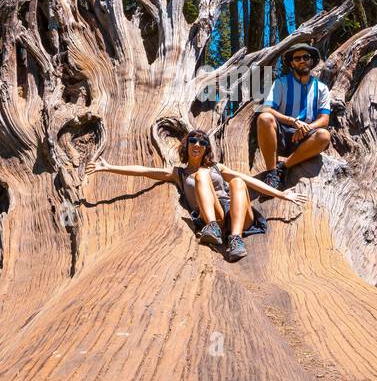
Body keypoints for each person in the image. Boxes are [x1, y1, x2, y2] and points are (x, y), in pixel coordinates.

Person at [86, 129, 304, 261]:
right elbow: (144, 171)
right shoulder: (178, 173)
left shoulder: (218, 168)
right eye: (193, 141)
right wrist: (109, 167)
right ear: (187, 145)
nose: (198, 144)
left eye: (203, 142)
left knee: (237, 181)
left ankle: (236, 240)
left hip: (238, 216)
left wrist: (283, 195)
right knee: (200, 176)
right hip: (215, 217)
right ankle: (213, 229)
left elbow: (249, 181)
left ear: (206, 148)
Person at [256, 42, 332, 189]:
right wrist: (292, 121)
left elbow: (324, 120)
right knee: (264, 118)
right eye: (297, 58)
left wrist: (305, 127)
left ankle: (282, 167)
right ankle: (271, 173)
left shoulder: (321, 88)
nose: (302, 60)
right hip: (282, 135)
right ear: (291, 63)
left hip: (306, 137)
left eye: (306, 57)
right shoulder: (281, 83)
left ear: (311, 60)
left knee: (324, 136)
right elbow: (267, 109)